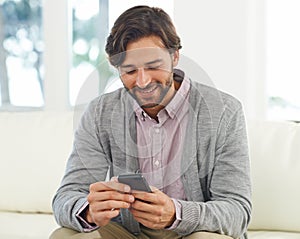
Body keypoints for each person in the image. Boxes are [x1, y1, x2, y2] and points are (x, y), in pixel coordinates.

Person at [51, 5, 251, 239]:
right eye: (130, 71)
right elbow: (66, 196)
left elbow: (238, 211)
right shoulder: (100, 112)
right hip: (126, 233)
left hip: (190, 233)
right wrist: (88, 211)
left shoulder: (225, 111)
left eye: (153, 66)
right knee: (64, 234)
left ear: (175, 56)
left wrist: (176, 214)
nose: (143, 82)